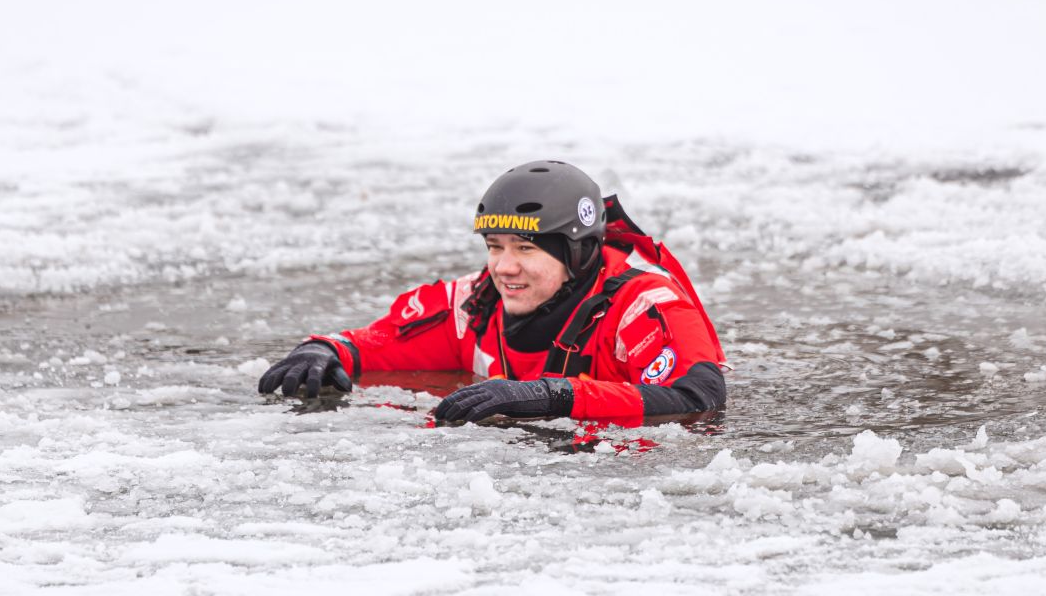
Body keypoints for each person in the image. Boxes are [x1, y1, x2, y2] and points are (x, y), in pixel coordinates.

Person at [258, 160, 727, 425]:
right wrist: (324, 350)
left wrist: (555, 395)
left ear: (579, 252)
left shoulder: (646, 307)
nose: (504, 267)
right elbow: (373, 345)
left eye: (525, 248)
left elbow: (700, 396)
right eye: (494, 247)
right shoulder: (474, 305)